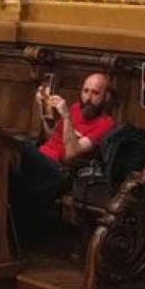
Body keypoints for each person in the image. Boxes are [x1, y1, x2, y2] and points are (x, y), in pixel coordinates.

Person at [10, 72, 115, 245]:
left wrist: (66, 117)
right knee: (7, 162)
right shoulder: (75, 108)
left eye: (95, 93)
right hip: (42, 159)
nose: (88, 97)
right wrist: (42, 109)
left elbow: (72, 154)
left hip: (62, 171)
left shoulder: (105, 124)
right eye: (85, 91)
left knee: (20, 144)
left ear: (106, 97)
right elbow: (52, 135)